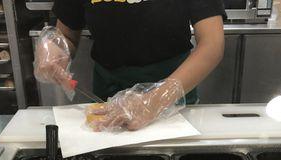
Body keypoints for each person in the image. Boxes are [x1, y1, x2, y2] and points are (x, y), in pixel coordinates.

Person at [34, 0, 225, 131]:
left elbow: (212, 43)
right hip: (107, 100)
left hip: (173, 100)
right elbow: (66, 34)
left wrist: (155, 100)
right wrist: (54, 48)